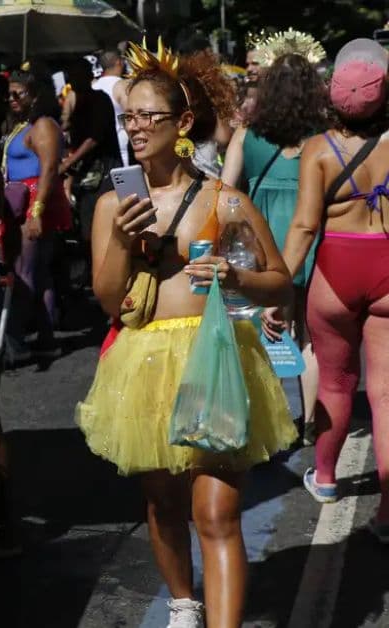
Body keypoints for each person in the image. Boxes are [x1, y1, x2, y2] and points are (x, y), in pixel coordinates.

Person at [77, 41, 295, 628]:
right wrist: (124, 241)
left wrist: (237, 274)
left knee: (217, 512)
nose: (138, 127)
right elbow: (106, 300)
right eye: (130, 116)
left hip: (215, 360)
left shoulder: (224, 199)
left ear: (183, 123)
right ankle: (183, 601)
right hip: (145, 363)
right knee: (162, 504)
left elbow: (282, 284)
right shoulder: (111, 206)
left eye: (151, 116)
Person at [279, 39, 389, 543]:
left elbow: (304, 227)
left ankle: (325, 477)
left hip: (334, 274)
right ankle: (387, 510)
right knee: (386, 397)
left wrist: (277, 287)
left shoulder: (319, 149)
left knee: (335, 384)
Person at [220, 50, 329, 445]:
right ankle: (312, 422)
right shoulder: (322, 140)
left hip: (263, 246)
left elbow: (227, 194)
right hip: (310, 241)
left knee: (263, 334)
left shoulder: (247, 137)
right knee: (308, 335)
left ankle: (266, 422)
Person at [3, 70, 71, 359]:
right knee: (39, 273)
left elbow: (49, 169)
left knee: (24, 273)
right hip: (21, 203)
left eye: (18, 93)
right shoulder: (24, 125)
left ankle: (14, 342)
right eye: (10, 93)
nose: (12, 98)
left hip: (32, 203)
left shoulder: (43, 125)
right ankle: (46, 338)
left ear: (35, 94)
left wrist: (37, 211)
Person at [65, 57, 124, 242]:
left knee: (102, 226)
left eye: (78, 76)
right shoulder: (77, 103)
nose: (74, 81)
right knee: (85, 230)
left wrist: (68, 162)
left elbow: (94, 139)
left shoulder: (100, 100)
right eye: (71, 77)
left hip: (105, 172)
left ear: (89, 76)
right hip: (85, 175)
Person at [93, 49, 131, 167]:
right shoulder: (121, 85)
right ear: (119, 62)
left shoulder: (94, 86)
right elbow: (129, 114)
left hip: (98, 141)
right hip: (121, 140)